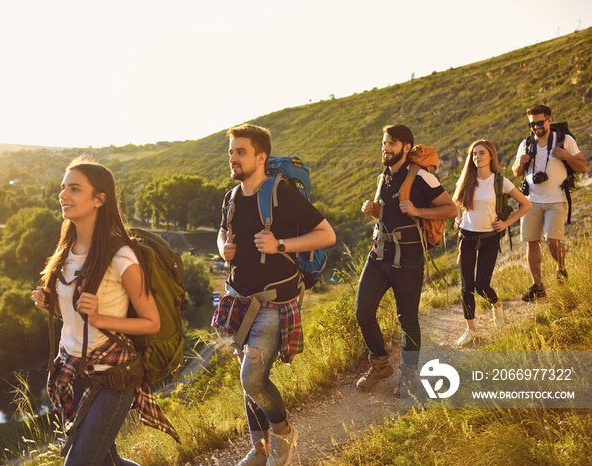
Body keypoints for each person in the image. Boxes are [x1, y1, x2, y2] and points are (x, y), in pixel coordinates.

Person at [30, 157, 177, 465]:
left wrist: (99, 318)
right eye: (62, 188)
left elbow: (152, 322)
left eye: (74, 189)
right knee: (109, 462)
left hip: (113, 378)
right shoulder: (65, 252)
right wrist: (52, 304)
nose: (63, 195)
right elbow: (74, 316)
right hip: (75, 372)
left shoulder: (121, 256)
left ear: (99, 199)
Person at [213, 124, 336, 466]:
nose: (233, 158)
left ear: (261, 157)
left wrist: (280, 244)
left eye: (241, 152)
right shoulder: (232, 196)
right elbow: (222, 231)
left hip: (273, 301)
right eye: (231, 152)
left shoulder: (280, 192)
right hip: (239, 298)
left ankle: (283, 436)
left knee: (252, 379)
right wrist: (224, 248)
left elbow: (327, 235)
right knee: (245, 378)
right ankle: (259, 448)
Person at [355, 124, 458, 396]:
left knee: (407, 318)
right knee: (362, 311)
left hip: (409, 259)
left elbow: (451, 208)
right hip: (379, 255)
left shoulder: (423, 177)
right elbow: (388, 216)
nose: (385, 148)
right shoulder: (383, 178)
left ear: (405, 147)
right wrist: (373, 211)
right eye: (384, 143)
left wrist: (417, 209)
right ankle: (380, 364)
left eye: (391, 143)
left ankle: (410, 376)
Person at [452, 140, 531, 345]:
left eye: (481, 153)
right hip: (466, 237)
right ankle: (471, 330)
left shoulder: (500, 181)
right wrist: (457, 219)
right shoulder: (466, 179)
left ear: (491, 156)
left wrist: (506, 223)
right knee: (466, 286)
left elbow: (526, 204)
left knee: (481, 286)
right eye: (474, 154)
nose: (477, 157)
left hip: (489, 238)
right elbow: (455, 204)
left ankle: (496, 307)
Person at [512, 104, 586, 301]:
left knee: (552, 240)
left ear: (549, 120)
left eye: (540, 122)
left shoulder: (564, 140)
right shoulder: (526, 144)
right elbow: (515, 172)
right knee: (532, 242)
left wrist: (567, 156)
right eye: (532, 123)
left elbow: (583, 167)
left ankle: (561, 268)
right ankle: (537, 286)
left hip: (556, 198)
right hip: (531, 201)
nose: (536, 126)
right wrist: (521, 163)